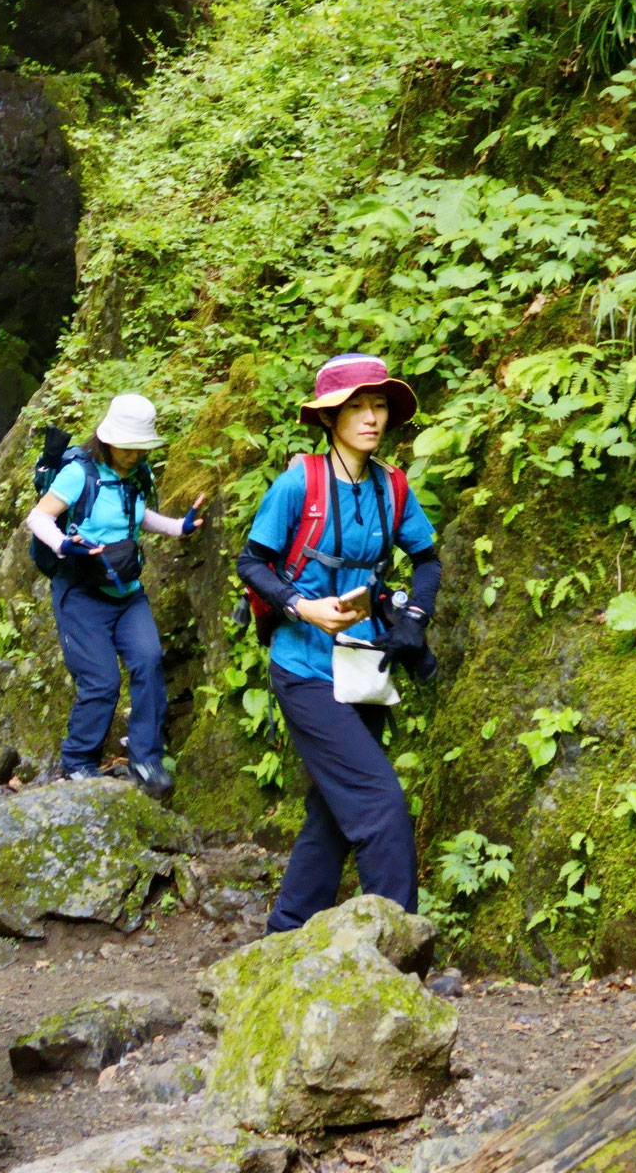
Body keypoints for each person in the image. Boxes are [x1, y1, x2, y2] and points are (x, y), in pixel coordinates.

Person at [236, 354, 442, 931]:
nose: (372, 418)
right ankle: (400, 951)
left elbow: (425, 559)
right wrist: (302, 606)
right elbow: (252, 562)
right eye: (356, 406)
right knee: (380, 806)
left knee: (331, 813)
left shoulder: (390, 486)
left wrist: (415, 619)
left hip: (364, 669)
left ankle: (287, 931)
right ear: (330, 418)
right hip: (304, 668)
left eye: (378, 405)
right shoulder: (300, 481)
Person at [26, 392, 206, 800]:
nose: (134, 453)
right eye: (128, 445)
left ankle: (146, 758)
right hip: (81, 594)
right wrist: (61, 544)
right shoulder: (79, 474)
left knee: (148, 662)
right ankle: (77, 763)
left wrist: (181, 527)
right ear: (108, 439)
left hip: (127, 593)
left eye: (140, 446)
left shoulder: (139, 475)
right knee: (102, 681)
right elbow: (39, 516)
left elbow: (137, 516)